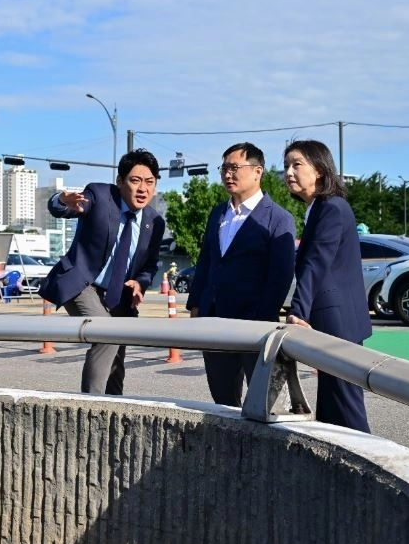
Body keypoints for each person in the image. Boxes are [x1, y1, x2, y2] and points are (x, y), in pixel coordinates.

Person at [39, 149, 166, 395]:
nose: (143, 189)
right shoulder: (99, 195)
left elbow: (150, 264)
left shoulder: (154, 222)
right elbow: (65, 207)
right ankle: (92, 403)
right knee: (107, 335)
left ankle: (115, 404)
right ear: (120, 181)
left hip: (119, 295)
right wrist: (61, 201)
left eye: (149, 182)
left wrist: (140, 283)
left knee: (116, 355)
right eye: (135, 180)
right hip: (83, 284)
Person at [186, 142, 296, 407]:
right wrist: (196, 304)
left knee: (264, 402)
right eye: (224, 168)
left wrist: (263, 317)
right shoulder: (218, 213)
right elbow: (206, 261)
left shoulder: (278, 218)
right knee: (223, 400)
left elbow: (280, 276)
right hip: (214, 321)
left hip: (255, 324)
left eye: (234, 168)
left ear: (258, 172)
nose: (227, 174)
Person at [283, 139, 371, 432]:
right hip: (332, 319)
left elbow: (316, 262)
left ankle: (370, 459)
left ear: (319, 170)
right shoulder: (317, 208)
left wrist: (298, 311)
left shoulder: (332, 207)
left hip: (338, 322)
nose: (289, 172)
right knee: (332, 409)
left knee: (346, 409)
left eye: (297, 164)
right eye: (286, 166)